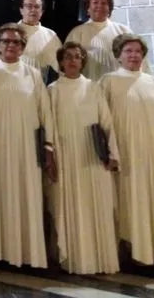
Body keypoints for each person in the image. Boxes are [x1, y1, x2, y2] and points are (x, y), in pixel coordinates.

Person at [0, 23, 55, 269]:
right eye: (6, 41)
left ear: (23, 47)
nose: (11, 45)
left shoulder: (33, 75)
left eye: (16, 42)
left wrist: (49, 147)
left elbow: (45, 112)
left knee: (26, 197)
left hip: (26, 150)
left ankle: (28, 254)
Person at [100, 33, 154, 273]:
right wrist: (111, 152)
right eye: (128, 51)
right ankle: (134, 254)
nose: (134, 55)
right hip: (127, 155)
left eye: (138, 51)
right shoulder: (108, 82)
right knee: (131, 202)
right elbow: (102, 120)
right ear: (118, 56)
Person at [47, 41, 120, 275]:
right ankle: (75, 260)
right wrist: (51, 157)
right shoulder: (53, 90)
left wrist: (113, 153)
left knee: (97, 205)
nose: (72, 60)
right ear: (61, 62)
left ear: (82, 61)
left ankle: (101, 259)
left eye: (77, 56)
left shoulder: (94, 87)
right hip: (66, 155)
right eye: (67, 56)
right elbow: (48, 126)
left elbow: (107, 122)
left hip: (93, 156)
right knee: (69, 207)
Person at [66, 0, 139, 79]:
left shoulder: (123, 31)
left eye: (104, 3)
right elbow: (67, 64)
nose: (99, 6)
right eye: (95, 2)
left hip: (120, 84)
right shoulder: (76, 33)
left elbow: (139, 61)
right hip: (90, 85)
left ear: (109, 9)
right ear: (88, 8)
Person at [17, 0, 61, 84]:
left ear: (42, 12)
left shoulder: (51, 35)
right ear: (21, 10)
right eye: (29, 6)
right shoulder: (11, 32)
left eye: (37, 7)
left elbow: (59, 66)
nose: (33, 10)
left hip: (42, 86)